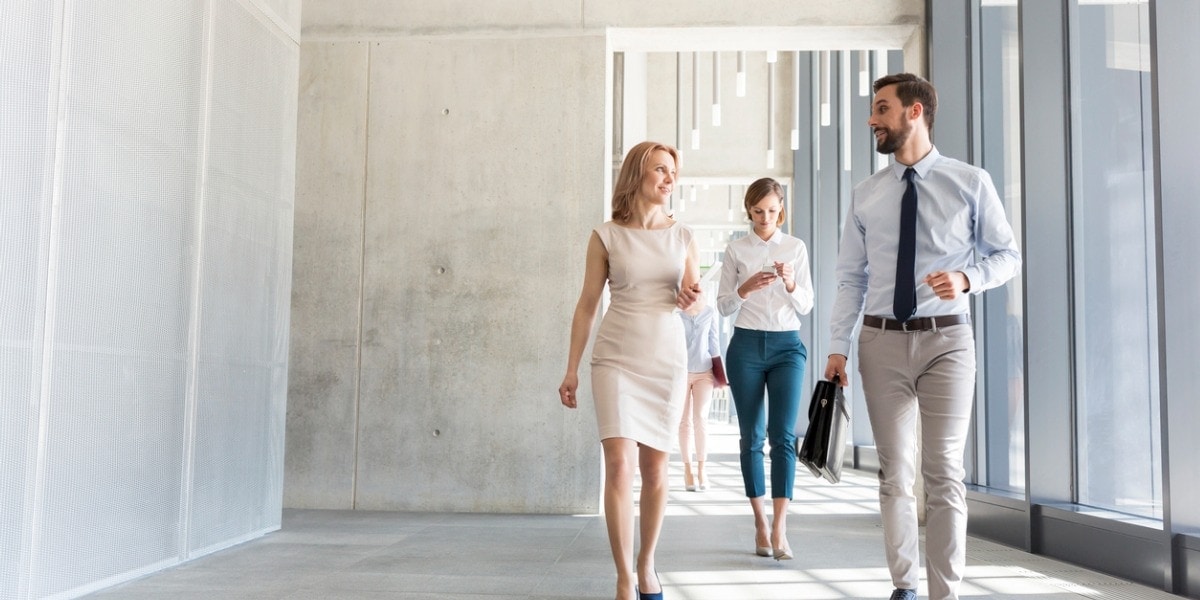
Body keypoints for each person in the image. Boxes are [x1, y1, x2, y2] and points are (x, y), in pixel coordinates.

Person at [823, 73, 1021, 600]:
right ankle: (905, 587)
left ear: (915, 112)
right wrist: (838, 347)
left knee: (944, 473)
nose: (872, 120)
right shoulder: (867, 194)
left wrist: (967, 279)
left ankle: (945, 593)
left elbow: (1008, 256)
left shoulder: (969, 181)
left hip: (947, 341)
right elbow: (851, 278)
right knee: (895, 473)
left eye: (882, 109)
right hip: (879, 342)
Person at [559, 140, 701, 600]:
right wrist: (571, 369)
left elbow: (694, 300)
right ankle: (623, 578)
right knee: (619, 466)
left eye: (673, 173)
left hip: (666, 361)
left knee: (656, 471)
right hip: (616, 358)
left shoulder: (683, 236)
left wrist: (692, 299)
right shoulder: (606, 236)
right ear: (637, 174)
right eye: (660, 170)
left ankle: (647, 565)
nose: (668, 179)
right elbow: (586, 306)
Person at [716, 177, 814, 561]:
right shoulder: (736, 249)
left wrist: (791, 283)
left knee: (783, 437)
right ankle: (759, 522)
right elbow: (723, 305)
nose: (765, 218)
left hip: (787, 346)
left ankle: (780, 527)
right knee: (751, 437)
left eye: (772, 211)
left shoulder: (795, 247)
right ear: (749, 210)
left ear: (781, 209)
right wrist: (746, 288)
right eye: (758, 211)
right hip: (745, 346)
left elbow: (806, 305)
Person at [678, 296, 722, 492]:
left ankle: (702, 469)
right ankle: (687, 470)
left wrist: (720, 374)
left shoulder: (709, 312)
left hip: (705, 372)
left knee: (700, 419)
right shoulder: (676, 313)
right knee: (684, 422)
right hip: (680, 373)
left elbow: (714, 344)